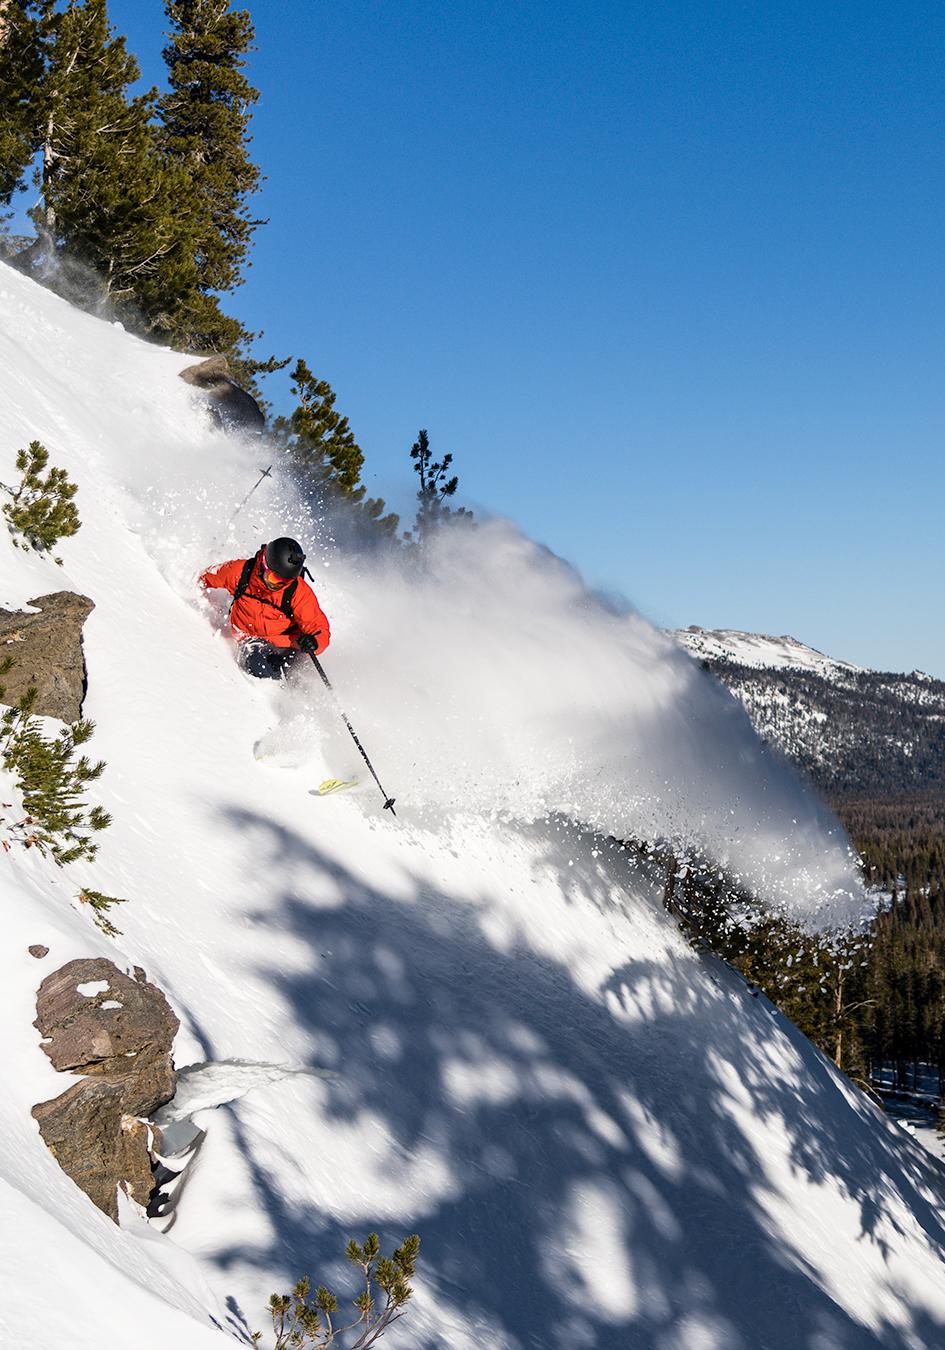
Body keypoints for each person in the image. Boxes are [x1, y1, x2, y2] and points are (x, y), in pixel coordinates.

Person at [200, 536, 331, 680]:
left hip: (288, 643)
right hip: (251, 639)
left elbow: (319, 628)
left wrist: (314, 642)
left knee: (299, 676)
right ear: (264, 565)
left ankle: (306, 700)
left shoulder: (297, 591)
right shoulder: (240, 572)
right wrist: (204, 600)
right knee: (259, 667)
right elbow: (206, 578)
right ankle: (267, 697)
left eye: (284, 582)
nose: (277, 586)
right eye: (274, 579)